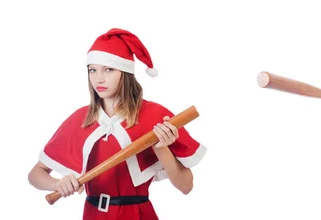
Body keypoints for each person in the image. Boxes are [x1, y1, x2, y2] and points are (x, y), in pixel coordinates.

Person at [27, 28, 207, 220]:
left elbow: (186, 186)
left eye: (108, 69)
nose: (99, 79)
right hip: (93, 215)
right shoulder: (81, 119)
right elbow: (35, 174)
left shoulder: (156, 115)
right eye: (92, 70)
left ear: (125, 72)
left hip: (138, 215)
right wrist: (56, 184)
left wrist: (162, 148)